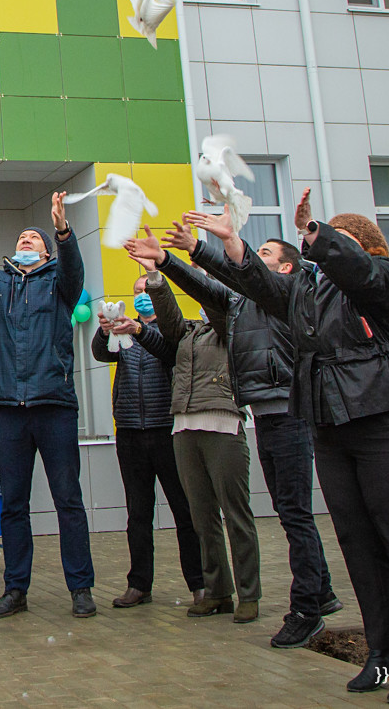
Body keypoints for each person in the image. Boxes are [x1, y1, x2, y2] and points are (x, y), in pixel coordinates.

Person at [186, 192, 389, 704]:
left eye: (337, 241)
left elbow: (358, 270)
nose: (325, 249)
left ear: (363, 246)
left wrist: (316, 232)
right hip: (332, 427)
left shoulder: (385, 278)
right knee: (358, 545)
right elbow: (258, 284)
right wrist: (226, 242)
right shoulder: (307, 293)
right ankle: (383, 655)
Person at [158, 221, 342, 647]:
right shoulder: (244, 303)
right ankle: (323, 591)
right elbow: (208, 288)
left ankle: (307, 609)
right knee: (289, 510)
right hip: (268, 416)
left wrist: (210, 245)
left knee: (294, 513)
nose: (258, 258)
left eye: (266, 253)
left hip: (291, 414)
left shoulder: (291, 293)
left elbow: (240, 271)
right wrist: (168, 260)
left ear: (285, 268)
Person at [0, 192, 97, 620]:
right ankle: (15, 589)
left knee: (68, 501)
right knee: (13, 505)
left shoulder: (60, 284)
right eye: (21, 236)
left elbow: (75, 270)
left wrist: (62, 231)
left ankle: (81, 588)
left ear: (46, 251)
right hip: (9, 408)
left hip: (54, 405)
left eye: (33, 237)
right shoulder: (1, 284)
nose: (25, 239)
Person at [121, 234, 261, 625]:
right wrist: (154, 276)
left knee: (235, 515)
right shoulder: (188, 332)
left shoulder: (231, 326)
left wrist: (185, 266)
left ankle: (249, 594)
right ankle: (217, 592)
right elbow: (167, 319)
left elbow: (216, 301)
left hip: (222, 426)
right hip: (183, 427)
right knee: (202, 517)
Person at [91, 273, 203, 610]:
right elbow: (101, 354)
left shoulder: (176, 329)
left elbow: (170, 353)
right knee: (138, 514)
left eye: (147, 290)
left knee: (185, 511)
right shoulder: (124, 329)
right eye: (137, 291)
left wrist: (139, 330)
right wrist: (105, 331)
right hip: (129, 430)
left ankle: (199, 583)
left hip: (167, 429)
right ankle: (139, 584)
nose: (142, 296)